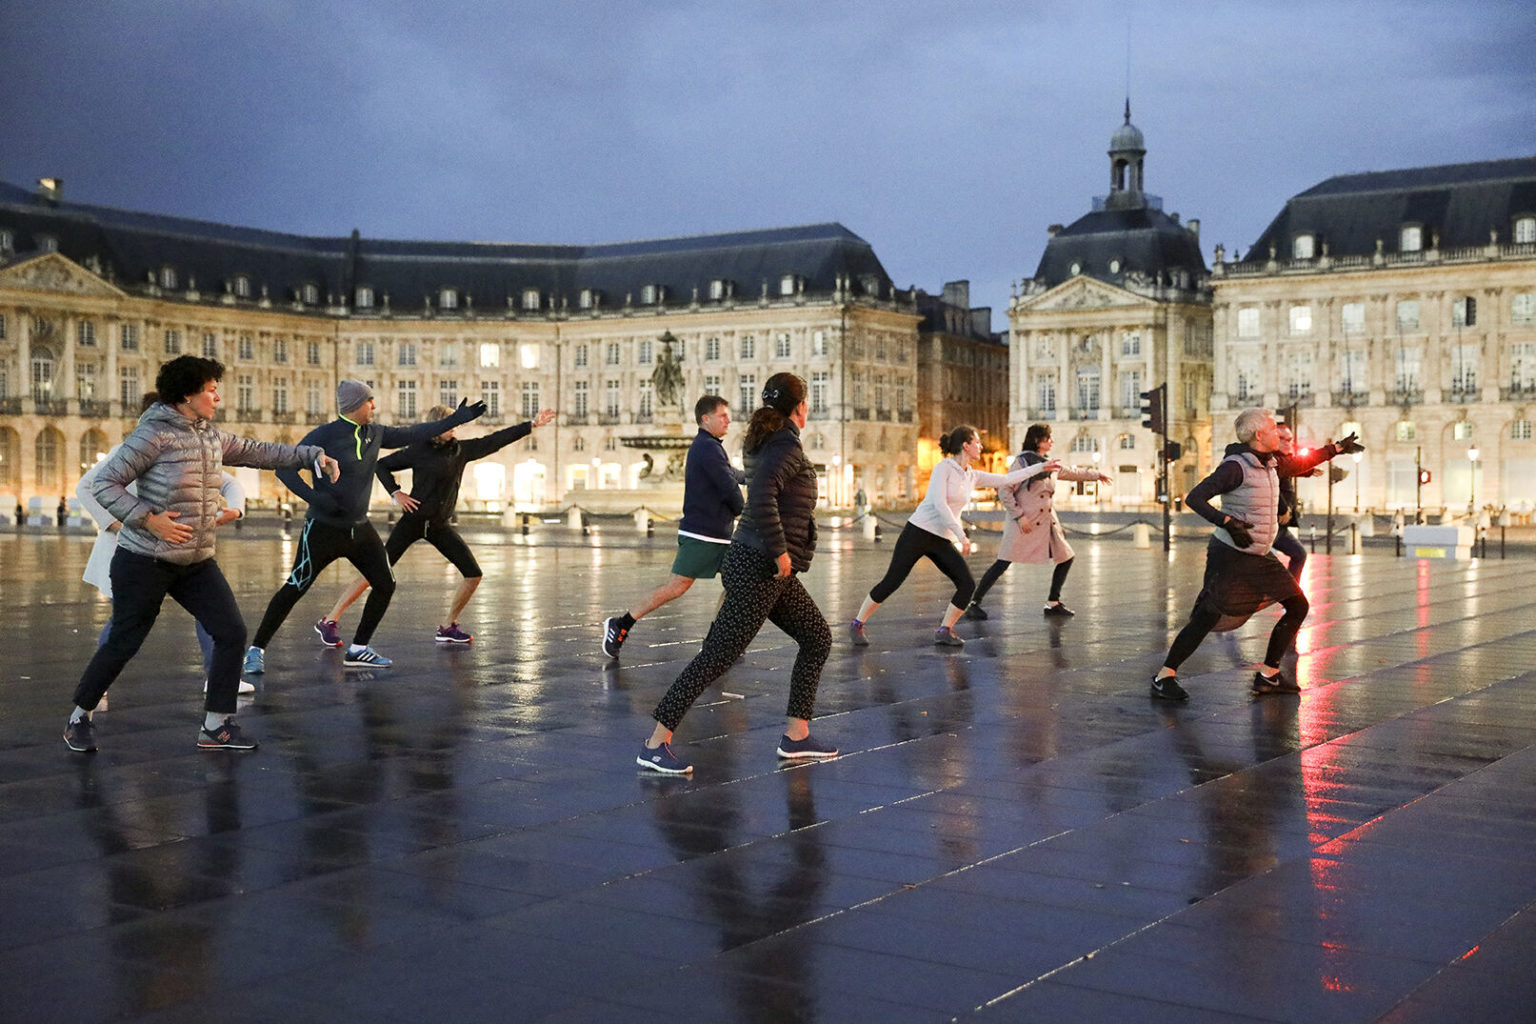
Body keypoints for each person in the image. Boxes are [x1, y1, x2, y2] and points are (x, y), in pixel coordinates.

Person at [62, 355, 338, 754]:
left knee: (231, 632)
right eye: (211, 390)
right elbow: (104, 484)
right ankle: (78, 717)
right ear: (187, 395)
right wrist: (148, 519)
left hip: (194, 560)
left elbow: (257, 451)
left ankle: (216, 725)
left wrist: (312, 455)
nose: (218, 397)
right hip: (145, 559)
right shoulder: (152, 434)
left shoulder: (208, 434)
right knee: (124, 639)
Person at [637, 373, 833, 774]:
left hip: (763, 565)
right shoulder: (783, 444)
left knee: (816, 637)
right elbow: (761, 498)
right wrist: (780, 552)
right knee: (717, 656)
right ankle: (655, 744)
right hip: (760, 565)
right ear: (800, 407)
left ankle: (796, 736)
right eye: (807, 401)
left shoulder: (770, 440)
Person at [243, 381, 485, 673]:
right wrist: (316, 498)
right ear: (356, 405)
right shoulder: (324, 435)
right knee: (295, 587)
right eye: (370, 401)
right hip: (323, 528)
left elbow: (414, 433)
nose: (374, 406)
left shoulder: (376, 433)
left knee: (385, 583)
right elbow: (284, 468)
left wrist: (456, 419)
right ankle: (256, 650)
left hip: (359, 528)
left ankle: (358, 648)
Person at [1149, 408, 1362, 702]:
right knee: (1207, 617)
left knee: (1297, 605)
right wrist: (1226, 522)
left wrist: (1335, 449)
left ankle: (1269, 675)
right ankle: (1164, 677)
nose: (1279, 433)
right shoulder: (1235, 467)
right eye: (1274, 429)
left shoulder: (1270, 463)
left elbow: (1301, 462)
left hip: (1258, 554)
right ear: (1259, 435)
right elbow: (1195, 498)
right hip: (1231, 555)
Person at [320, 404, 555, 645]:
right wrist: (395, 493)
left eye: (456, 423)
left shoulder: (461, 450)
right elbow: (382, 465)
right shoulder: (419, 449)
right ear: (436, 425)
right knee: (374, 572)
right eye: (449, 423)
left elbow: (496, 440)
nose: (454, 427)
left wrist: (532, 425)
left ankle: (448, 626)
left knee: (473, 575)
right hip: (413, 521)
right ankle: (329, 620)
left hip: (439, 525)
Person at [76, 391, 255, 698]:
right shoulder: (127, 449)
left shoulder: (185, 448)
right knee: (126, 621)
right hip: (134, 548)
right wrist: (118, 522)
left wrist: (234, 508)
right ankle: (98, 681)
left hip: (182, 547)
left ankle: (218, 676)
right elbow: (87, 487)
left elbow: (230, 482)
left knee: (207, 614)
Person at [850, 425, 1059, 648]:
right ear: (966, 446)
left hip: (941, 538)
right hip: (918, 532)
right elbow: (940, 505)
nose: (981, 446)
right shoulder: (944, 468)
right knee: (892, 582)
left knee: (967, 584)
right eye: (977, 442)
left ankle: (944, 629)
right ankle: (857, 623)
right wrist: (962, 535)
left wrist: (1041, 467)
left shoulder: (973, 475)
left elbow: (1008, 479)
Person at [603, 395, 744, 659]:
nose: (728, 420)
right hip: (704, 534)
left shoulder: (710, 446)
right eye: (723, 415)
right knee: (676, 587)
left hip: (717, 534)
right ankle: (621, 624)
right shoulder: (707, 447)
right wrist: (745, 513)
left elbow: (731, 475)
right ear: (706, 418)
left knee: (739, 582)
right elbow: (728, 487)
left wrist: (755, 475)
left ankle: (719, 640)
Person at [964, 423, 1110, 620]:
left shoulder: (1047, 462)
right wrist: (1019, 515)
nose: (1052, 441)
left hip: (1047, 521)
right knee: (1003, 562)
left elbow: (1070, 472)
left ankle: (1053, 602)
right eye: (1048, 438)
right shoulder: (1023, 462)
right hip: (1025, 521)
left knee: (1066, 557)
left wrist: (1095, 475)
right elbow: (1004, 490)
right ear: (1037, 440)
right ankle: (974, 602)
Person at [1272, 423, 1314, 583]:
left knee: (1299, 554)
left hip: (1280, 526)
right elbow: (1271, 486)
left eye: (1289, 439)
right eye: (1282, 438)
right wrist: (1283, 508)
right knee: (1258, 563)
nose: (1287, 442)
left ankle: (1291, 596)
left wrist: (1309, 471)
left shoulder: (1284, 460)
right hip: (1272, 523)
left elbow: (1295, 466)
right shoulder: (1272, 460)